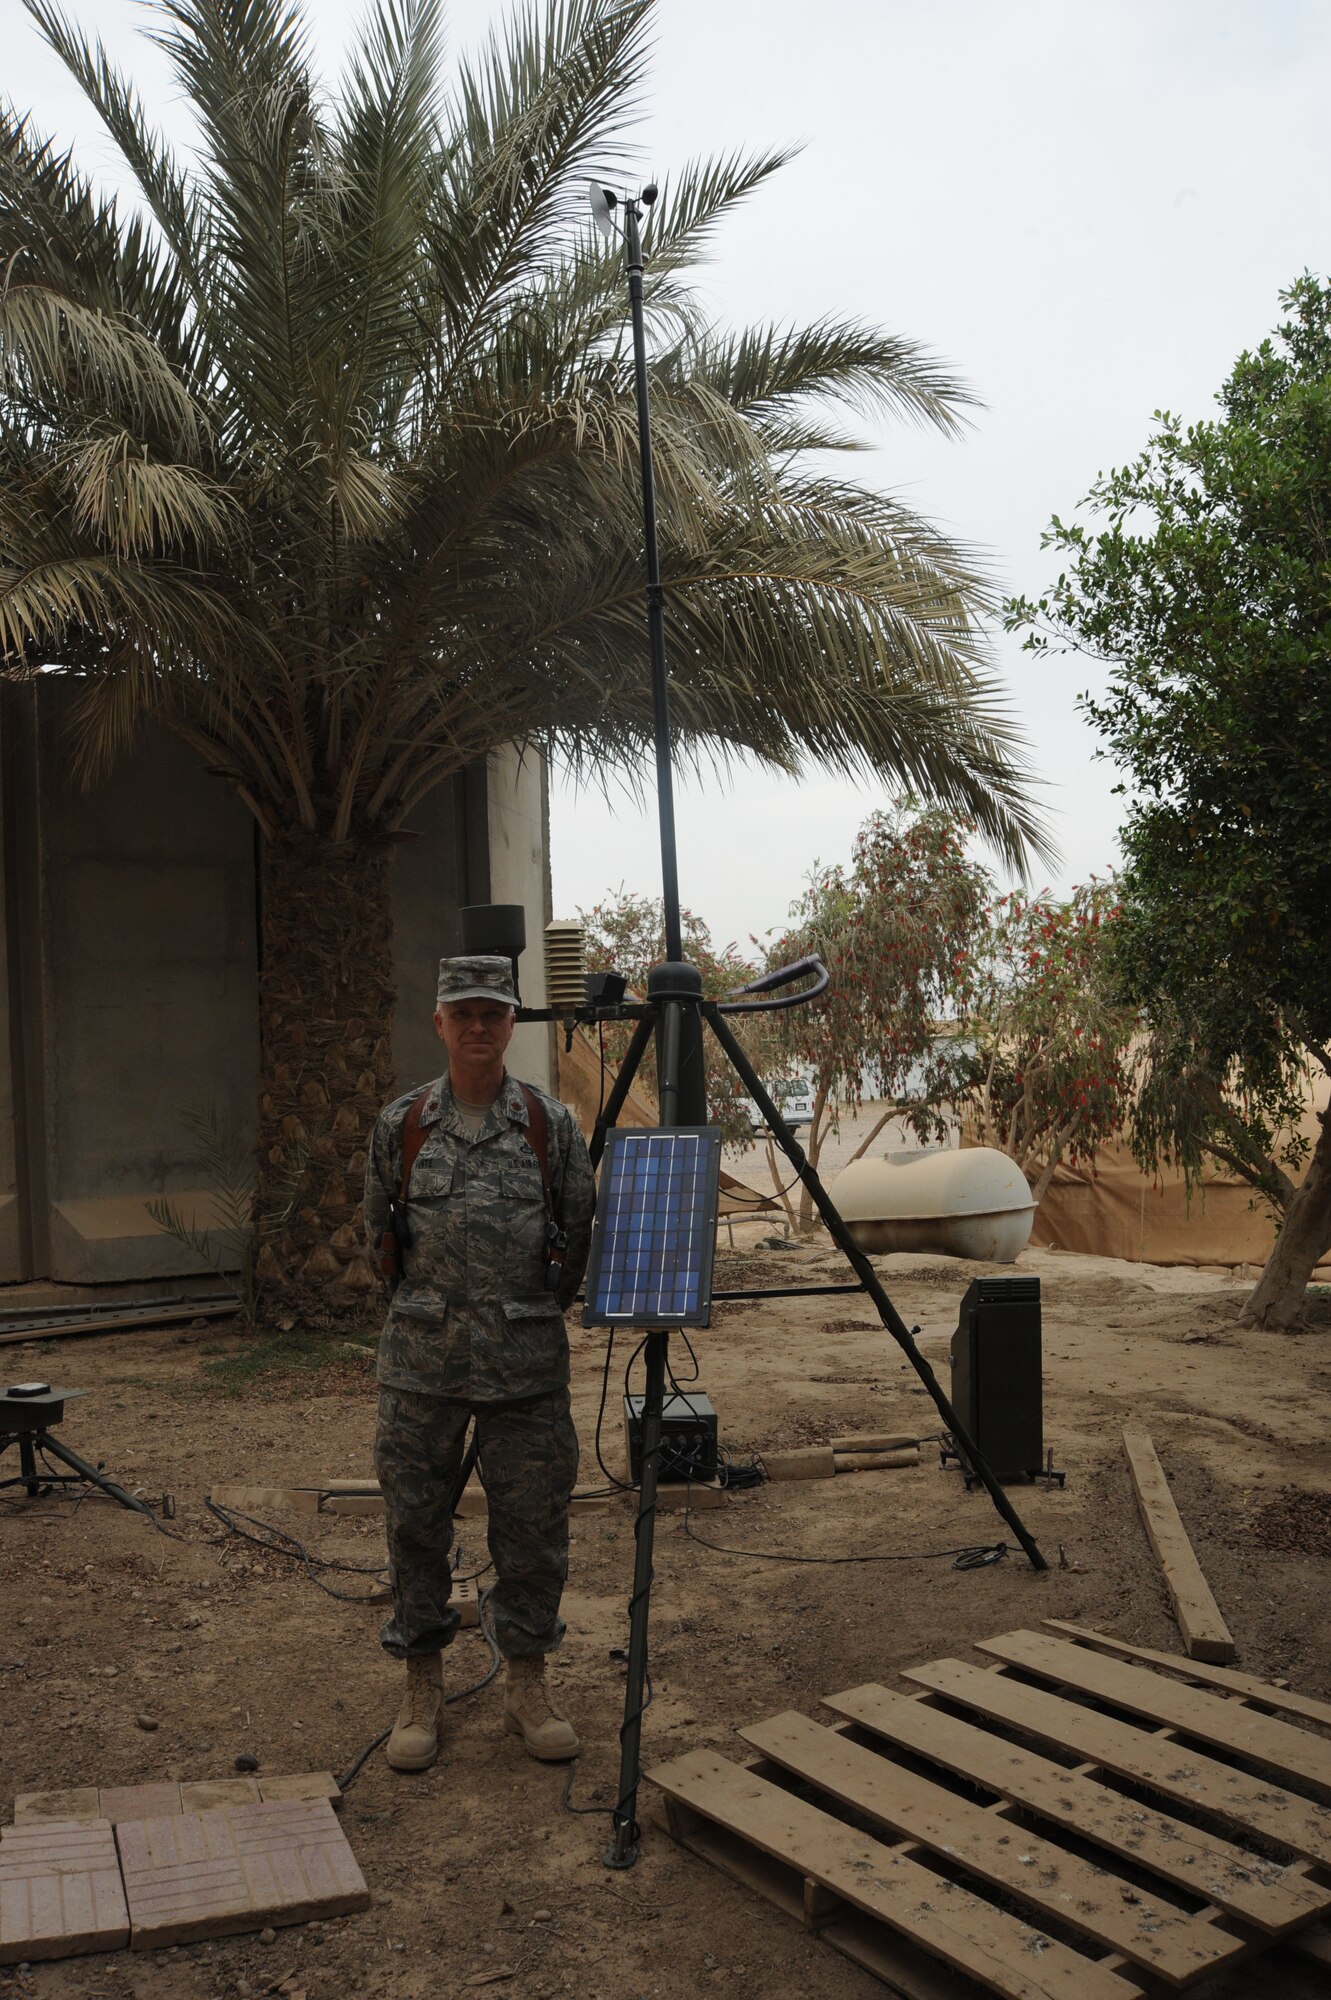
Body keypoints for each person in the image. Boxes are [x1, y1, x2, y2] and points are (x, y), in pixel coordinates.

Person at [363, 955, 596, 1772]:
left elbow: (575, 1239)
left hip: (524, 1366)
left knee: (533, 1531)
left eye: (492, 1013)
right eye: (461, 1012)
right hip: (421, 1366)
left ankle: (527, 1684)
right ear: (438, 1022)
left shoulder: (547, 1126)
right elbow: (381, 1246)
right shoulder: (402, 1126)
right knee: (415, 1527)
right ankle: (420, 1686)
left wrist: (522, 1313)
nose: (476, 1027)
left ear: (511, 1023)